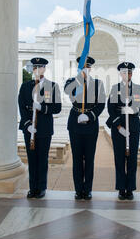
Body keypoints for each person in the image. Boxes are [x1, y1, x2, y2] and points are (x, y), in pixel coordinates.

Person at [18, 57, 62, 199]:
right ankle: (33, 188)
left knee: (42, 159)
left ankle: (41, 187)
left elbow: (57, 108)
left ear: (44, 69)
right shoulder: (25, 86)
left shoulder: (52, 86)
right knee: (31, 159)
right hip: (29, 128)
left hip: (44, 128)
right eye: (35, 67)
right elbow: (22, 107)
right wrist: (27, 125)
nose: (37, 70)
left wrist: (42, 108)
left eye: (40, 67)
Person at [64, 56, 105, 200]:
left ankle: (87, 189)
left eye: (87, 67)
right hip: (75, 124)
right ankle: (78, 189)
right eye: (83, 67)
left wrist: (90, 116)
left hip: (90, 124)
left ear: (91, 68)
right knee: (77, 159)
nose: (85, 69)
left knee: (89, 159)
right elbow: (67, 91)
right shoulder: (71, 82)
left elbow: (101, 104)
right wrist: (79, 80)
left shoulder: (98, 84)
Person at [106, 62, 140, 200]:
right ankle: (121, 188)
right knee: (119, 159)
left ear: (132, 73)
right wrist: (119, 127)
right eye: (124, 72)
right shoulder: (115, 89)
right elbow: (111, 110)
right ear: (120, 74)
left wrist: (133, 110)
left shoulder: (138, 88)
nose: (127, 75)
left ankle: (130, 189)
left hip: (134, 128)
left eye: (129, 72)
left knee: (132, 159)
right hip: (118, 129)